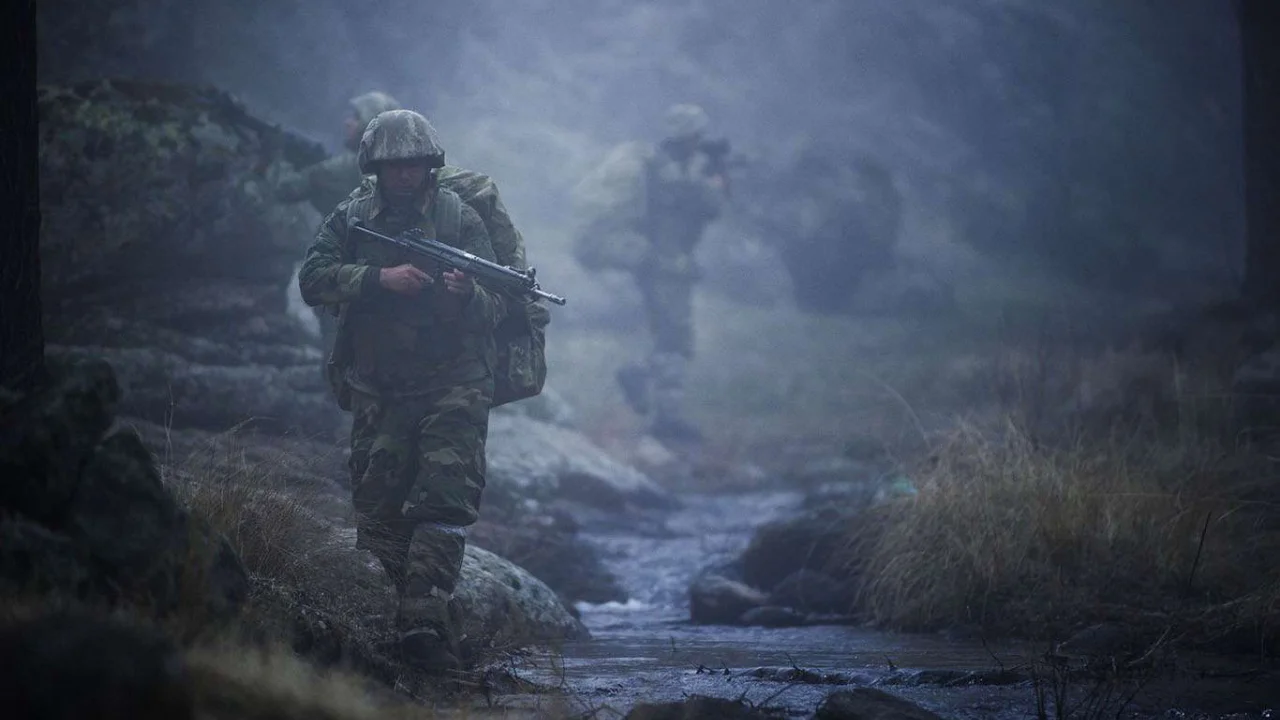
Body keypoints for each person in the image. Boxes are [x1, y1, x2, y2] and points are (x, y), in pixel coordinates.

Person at [297, 109, 506, 672]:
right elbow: (313, 279)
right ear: (375, 167)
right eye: (395, 166)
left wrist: (466, 294)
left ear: (429, 165)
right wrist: (377, 279)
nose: (406, 175)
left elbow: (499, 306)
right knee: (379, 513)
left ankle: (424, 622)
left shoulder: (459, 218)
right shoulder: (353, 216)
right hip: (380, 385)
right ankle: (391, 621)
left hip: (454, 384)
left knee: (443, 499)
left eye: (415, 164)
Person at [571, 103, 731, 444]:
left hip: (655, 261)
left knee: (666, 336)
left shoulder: (659, 165)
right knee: (675, 339)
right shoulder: (673, 172)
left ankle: (660, 407)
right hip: (667, 265)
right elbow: (709, 206)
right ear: (689, 137)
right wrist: (717, 181)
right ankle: (661, 410)